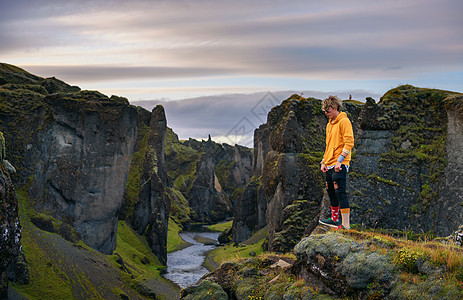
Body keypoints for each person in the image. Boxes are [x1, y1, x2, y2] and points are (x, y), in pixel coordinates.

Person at [319, 96, 354, 230]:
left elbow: (349, 142)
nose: (326, 113)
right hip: (329, 164)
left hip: (340, 163)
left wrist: (340, 161)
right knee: (331, 192)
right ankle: (334, 220)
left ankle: (346, 225)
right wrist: (323, 162)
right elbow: (328, 145)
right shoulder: (329, 125)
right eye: (325, 111)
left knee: (340, 192)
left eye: (328, 110)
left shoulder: (344, 121)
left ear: (335, 108)